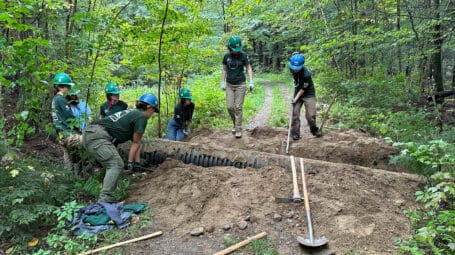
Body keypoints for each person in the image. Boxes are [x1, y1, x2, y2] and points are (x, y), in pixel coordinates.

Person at [82, 94, 159, 203]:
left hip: (92, 133)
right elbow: (136, 142)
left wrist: (136, 163)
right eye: (153, 110)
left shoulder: (132, 113)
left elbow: (135, 142)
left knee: (114, 163)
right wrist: (130, 163)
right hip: (97, 136)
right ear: (149, 108)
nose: (152, 114)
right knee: (116, 164)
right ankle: (105, 198)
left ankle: (107, 196)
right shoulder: (141, 117)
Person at [221, 35, 254, 138]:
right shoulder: (226, 57)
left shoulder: (244, 56)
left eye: (238, 49)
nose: (236, 51)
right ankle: (236, 124)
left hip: (241, 84)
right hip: (229, 84)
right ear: (230, 48)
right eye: (234, 49)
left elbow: (248, 68)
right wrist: (222, 81)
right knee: (230, 107)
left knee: (238, 107)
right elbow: (224, 69)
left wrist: (251, 81)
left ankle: (238, 129)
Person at [289, 53, 322, 139]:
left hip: (308, 93)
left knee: (310, 115)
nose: (295, 70)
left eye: (297, 69)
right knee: (295, 113)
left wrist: (295, 99)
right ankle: (295, 133)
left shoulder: (306, 74)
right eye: (293, 68)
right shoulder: (291, 68)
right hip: (298, 92)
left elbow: (303, 90)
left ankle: (314, 129)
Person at [51, 72, 76, 136]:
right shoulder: (61, 99)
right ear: (60, 87)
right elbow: (70, 116)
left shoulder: (55, 98)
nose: (69, 88)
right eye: (68, 86)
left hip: (59, 131)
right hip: (65, 131)